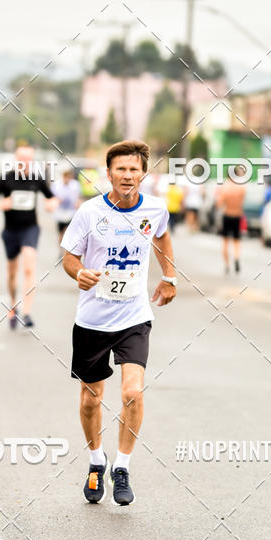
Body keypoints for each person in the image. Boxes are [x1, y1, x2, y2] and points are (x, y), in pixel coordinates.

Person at [61, 140, 177, 506]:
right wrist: (78, 274)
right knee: (90, 400)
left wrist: (169, 277)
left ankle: (122, 466)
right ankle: (97, 460)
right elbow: (69, 257)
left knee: (132, 392)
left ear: (144, 173)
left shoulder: (156, 208)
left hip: (134, 315)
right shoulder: (89, 212)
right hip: (93, 320)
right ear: (108, 173)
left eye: (134, 169)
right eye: (121, 169)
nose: (127, 176)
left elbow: (161, 237)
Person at [0, 146, 58, 329]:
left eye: (28, 160)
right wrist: (1, 205)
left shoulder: (37, 179)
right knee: (12, 273)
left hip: (30, 228)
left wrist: (52, 205)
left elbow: (52, 198)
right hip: (10, 231)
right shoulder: (6, 179)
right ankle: (13, 306)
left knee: (28, 266)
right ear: (16, 160)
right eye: (22, 159)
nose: (25, 163)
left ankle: (26, 312)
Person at [215, 165, 247, 273]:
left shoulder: (224, 187)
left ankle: (227, 265)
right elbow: (242, 202)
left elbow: (219, 204)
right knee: (236, 241)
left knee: (225, 241)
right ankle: (237, 258)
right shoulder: (241, 187)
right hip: (237, 215)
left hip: (227, 215)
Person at [53, 167, 81, 251]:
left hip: (71, 213)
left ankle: (67, 251)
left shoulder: (75, 185)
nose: (67, 180)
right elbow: (53, 198)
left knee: (68, 233)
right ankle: (60, 251)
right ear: (63, 177)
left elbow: (78, 197)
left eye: (69, 177)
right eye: (66, 177)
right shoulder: (57, 185)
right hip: (60, 213)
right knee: (61, 234)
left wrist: (78, 204)